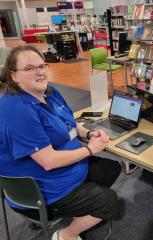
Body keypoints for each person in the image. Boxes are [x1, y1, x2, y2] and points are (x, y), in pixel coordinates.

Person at [0, 45, 121, 240]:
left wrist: (89, 133)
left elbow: (71, 123)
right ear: (14, 76)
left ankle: (77, 206)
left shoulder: (49, 92)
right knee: (110, 202)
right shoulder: (16, 110)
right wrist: (90, 150)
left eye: (42, 66)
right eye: (30, 68)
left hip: (64, 172)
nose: (39, 72)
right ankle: (66, 234)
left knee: (111, 168)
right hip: (42, 192)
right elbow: (49, 161)